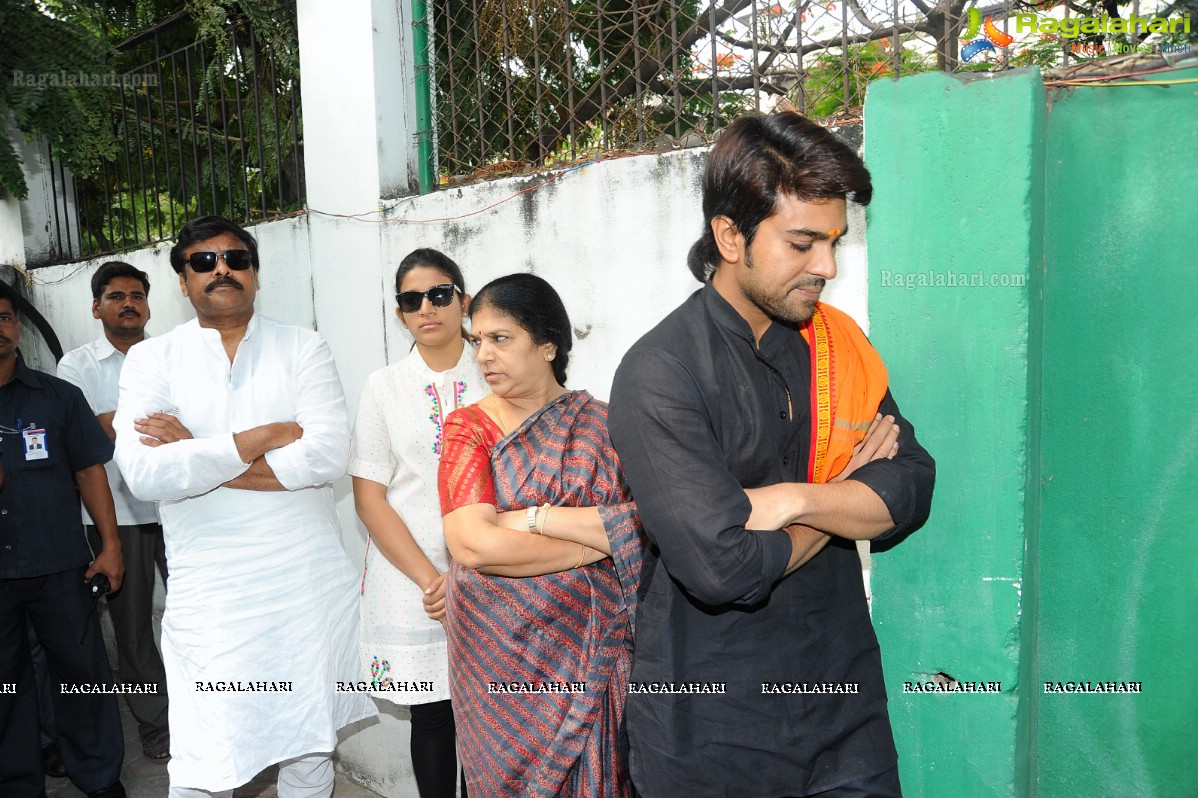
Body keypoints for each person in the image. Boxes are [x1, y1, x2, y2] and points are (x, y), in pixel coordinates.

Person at [608, 112, 936, 798]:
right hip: (711, 733)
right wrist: (846, 493)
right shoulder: (660, 373)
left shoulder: (835, 342)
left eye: (835, 242)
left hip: (845, 717)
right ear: (730, 236)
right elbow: (724, 567)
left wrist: (797, 498)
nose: (828, 266)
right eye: (803, 242)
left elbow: (909, 485)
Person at [112, 216, 374, 797]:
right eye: (203, 262)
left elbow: (326, 456)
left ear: (255, 274)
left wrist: (195, 452)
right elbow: (147, 473)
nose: (221, 269)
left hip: (305, 583)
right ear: (183, 281)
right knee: (207, 754)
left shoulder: (304, 346)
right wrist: (261, 437)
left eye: (236, 258)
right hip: (214, 594)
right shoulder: (153, 360)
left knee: (310, 741)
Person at [437, 274, 643, 798]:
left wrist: (530, 518)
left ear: (548, 345)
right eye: (477, 339)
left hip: (590, 651)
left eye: (500, 338)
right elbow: (473, 544)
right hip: (494, 653)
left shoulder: (604, 426)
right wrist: (594, 542)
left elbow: (644, 524)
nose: (483, 354)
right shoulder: (468, 427)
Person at [349, 248, 481, 797]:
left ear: (463, 300)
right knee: (433, 716)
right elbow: (369, 497)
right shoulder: (383, 386)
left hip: (496, 566)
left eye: (439, 294)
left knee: (490, 712)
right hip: (411, 577)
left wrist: (473, 570)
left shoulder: (496, 370)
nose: (427, 307)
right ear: (399, 313)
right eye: (411, 299)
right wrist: (432, 580)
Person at [0, 280, 127, 798]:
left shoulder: (58, 397)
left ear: (17, 328)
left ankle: (99, 778)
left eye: (5, 317)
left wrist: (112, 546)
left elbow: (90, 472)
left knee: (83, 678)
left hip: (59, 566)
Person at [58, 261, 171, 763]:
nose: (129, 303)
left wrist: (116, 421)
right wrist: (147, 424)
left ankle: (209, 714)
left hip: (183, 507)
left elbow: (191, 423)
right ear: (96, 305)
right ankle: (156, 727)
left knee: (204, 613)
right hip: (117, 517)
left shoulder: (174, 354)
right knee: (132, 630)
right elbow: (88, 435)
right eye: (116, 295)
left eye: (137, 295)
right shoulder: (76, 367)